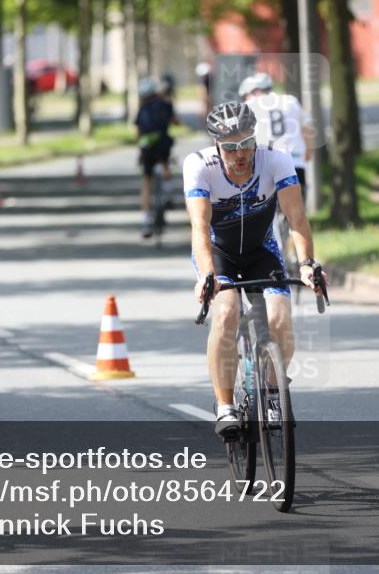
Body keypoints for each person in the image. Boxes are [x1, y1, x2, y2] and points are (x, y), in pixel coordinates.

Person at [184, 101, 326, 438]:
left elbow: (296, 218)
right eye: (230, 147)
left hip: (263, 249)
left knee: (279, 317)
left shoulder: (275, 159)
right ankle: (225, 406)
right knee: (227, 310)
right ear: (217, 145)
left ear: (255, 138)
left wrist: (306, 264)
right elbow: (200, 229)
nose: (239, 154)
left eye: (246, 143)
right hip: (220, 254)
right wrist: (207, 274)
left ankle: (273, 392)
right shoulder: (199, 165)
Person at [238, 72, 314, 200]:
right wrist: (309, 151)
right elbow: (307, 128)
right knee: (296, 213)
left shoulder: (249, 105)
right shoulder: (290, 101)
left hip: (266, 164)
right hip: (295, 162)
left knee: (266, 212)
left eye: (246, 95)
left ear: (255, 91)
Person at [136, 77, 177, 237]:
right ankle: (168, 195)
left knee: (146, 181)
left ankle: (146, 222)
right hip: (163, 143)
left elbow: (138, 132)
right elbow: (175, 121)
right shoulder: (166, 104)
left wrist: (140, 147)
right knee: (166, 164)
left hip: (147, 146)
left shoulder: (142, 108)